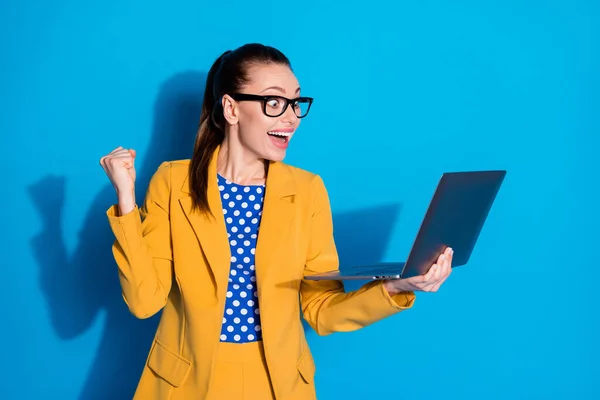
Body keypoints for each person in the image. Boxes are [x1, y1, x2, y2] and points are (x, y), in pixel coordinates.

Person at [100, 43, 453, 400]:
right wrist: (126, 200)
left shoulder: (308, 190)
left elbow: (321, 310)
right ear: (231, 108)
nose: (291, 117)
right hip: (188, 384)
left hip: (277, 384)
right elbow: (144, 301)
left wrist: (398, 287)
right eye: (274, 102)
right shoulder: (173, 181)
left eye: (296, 102)